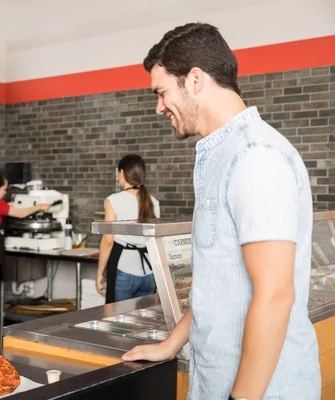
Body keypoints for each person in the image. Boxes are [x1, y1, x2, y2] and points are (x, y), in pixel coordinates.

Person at [121, 23, 321, 400]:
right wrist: (171, 344)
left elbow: (275, 294)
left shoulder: (254, 157)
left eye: (162, 92)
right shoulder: (222, 156)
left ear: (195, 80)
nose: (159, 107)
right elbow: (222, 285)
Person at [0, 171, 51, 343]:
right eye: (4, 189)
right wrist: (40, 207)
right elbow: (20, 214)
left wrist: (9, 204)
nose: (5, 192)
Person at [96, 154, 160, 303]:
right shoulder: (153, 201)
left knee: (117, 322)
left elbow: (108, 241)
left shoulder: (114, 200)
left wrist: (100, 273)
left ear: (122, 173)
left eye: (118, 173)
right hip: (149, 273)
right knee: (144, 323)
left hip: (124, 271)